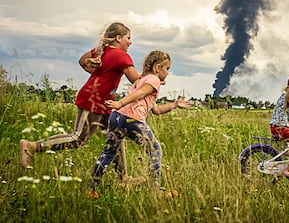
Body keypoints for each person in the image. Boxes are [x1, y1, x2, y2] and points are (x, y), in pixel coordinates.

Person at [20, 22, 141, 184]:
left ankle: (123, 177)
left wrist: (96, 73)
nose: (130, 42)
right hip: (92, 101)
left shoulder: (101, 51)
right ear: (118, 38)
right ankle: (32, 146)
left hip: (105, 104)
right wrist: (154, 79)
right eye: (128, 38)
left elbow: (82, 61)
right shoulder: (121, 56)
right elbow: (136, 80)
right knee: (78, 138)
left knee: (117, 136)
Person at [87, 50, 192, 197]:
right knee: (155, 150)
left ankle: (91, 189)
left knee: (108, 153)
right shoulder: (153, 80)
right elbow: (140, 93)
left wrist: (175, 104)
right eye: (166, 69)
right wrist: (120, 103)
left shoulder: (142, 80)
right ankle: (155, 192)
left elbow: (156, 110)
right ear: (157, 68)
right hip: (132, 119)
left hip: (117, 117)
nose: (167, 73)